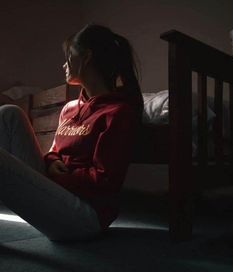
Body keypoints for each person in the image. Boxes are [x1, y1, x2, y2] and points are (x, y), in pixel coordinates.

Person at [0, 24, 144, 241]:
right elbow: (53, 152)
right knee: (9, 113)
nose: (64, 64)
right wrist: (50, 162)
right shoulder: (69, 109)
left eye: (68, 56)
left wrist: (57, 177)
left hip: (85, 215)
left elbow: (104, 182)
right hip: (57, 191)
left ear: (86, 57)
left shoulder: (117, 113)